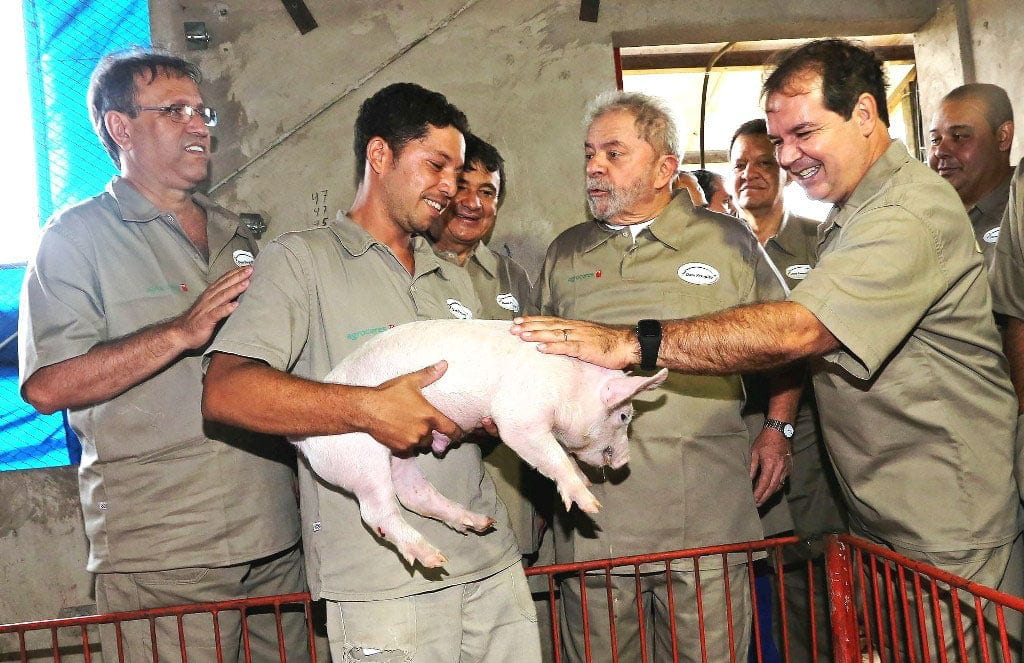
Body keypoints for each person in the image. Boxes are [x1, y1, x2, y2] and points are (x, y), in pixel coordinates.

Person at [514, 38, 1023, 659]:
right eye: (780, 140)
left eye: (803, 133)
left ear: (865, 114)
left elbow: (798, 332)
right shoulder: (853, 213)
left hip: (944, 513)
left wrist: (634, 343)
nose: (786, 158)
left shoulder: (905, 212)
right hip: (887, 512)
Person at [202, 82, 542, 662]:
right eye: (435, 165)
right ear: (380, 155)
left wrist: (492, 415)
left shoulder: (451, 274)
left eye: (457, 171)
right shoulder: (302, 260)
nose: (450, 187)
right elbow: (226, 392)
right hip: (382, 580)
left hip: (489, 562)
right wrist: (368, 408)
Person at [18, 49, 308, 662]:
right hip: (165, 550)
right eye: (174, 111)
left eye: (201, 111)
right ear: (120, 128)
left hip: (275, 536)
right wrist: (179, 331)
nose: (198, 125)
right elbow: (47, 386)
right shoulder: (75, 238)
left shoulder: (239, 232)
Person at [534, 89, 801, 663]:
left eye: (613, 153)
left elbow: (786, 340)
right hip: (597, 523)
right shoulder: (566, 253)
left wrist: (778, 429)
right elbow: (534, 368)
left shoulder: (727, 242)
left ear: (664, 168)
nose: (594, 167)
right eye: (589, 154)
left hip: (705, 518)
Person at [730, 117, 848, 661]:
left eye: (763, 161)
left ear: (783, 169)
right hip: (737, 431)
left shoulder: (819, 240)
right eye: (739, 164)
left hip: (811, 434)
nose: (750, 173)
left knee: (813, 578)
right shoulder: (717, 246)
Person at [928, 83, 1015, 265]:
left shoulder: (1017, 214)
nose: (940, 151)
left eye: (959, 136)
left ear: (1003, 136)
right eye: (935, 140)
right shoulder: (926, 216)